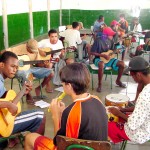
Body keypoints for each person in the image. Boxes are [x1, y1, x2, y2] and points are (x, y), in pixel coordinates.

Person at [24, 63, 108, 150]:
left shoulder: (71, 112)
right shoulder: (97, 99)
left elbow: (60, 145)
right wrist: (65, 114)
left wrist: (56, 116)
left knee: (29, 138)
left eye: (63, 83)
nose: (62, 85)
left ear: (69, 86)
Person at [0, 51, 46, 147]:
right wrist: (8, 105)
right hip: (1, 127)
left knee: (19, 113)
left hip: (3, 122)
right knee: (40, 116)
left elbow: (10, 103)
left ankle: (16, 138)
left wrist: (23, 92)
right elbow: (9, 105)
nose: (14, 70)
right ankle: (36, 146)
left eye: (16, 68)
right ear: (2, 65)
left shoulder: (2, 81)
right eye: (12, 66)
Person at [107, 56, 150, 144]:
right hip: (146, 123)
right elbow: (142, 109)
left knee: (106, 126)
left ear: (138, 74)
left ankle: (108, 142)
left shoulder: (145, 95)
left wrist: (118, 113)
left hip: (141, 133)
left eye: (132, 75)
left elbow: (133, 124)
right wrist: (123, 110)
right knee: (120, 116)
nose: (132, 78)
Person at [16, 39, 54, 104]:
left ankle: (39, 88)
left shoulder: (36, 51)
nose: (33, 52)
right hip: (19, 70)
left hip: (31, 68)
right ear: (27, 47)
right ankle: (28, 95)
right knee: (24, 75)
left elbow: (37, 64)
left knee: (51, 73)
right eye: (31, 51)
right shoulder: (18, 48)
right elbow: (4, 53)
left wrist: (44, 64)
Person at [90, 27, 126, 92]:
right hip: (98, 59)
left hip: (109, 59)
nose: (112, 36)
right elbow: (91, 52)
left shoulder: (111, 40)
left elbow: (112, 50)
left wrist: (116, 51)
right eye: (111, 34)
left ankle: (118, 81)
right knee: (101, 64)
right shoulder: (98, 40)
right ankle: (99, 84)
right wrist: (102, 55)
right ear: (105, 35)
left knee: (122, 64)